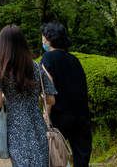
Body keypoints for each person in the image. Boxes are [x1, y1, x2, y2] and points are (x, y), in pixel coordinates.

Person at [0, 25, 57, 167]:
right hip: (37, 126)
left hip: (15, 130)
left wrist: (11, 97)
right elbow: (51, 99)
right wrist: (32, 98)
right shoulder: (36, 67)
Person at [41, 22, 93, 167]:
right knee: (81, 160)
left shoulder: (48, 58)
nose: (43, 40)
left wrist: (46, 114)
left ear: (49, 39)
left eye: (43, 37)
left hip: (60, 115)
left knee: (57, 159)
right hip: (82, 116)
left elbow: (48, 88)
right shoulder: (74, 59)